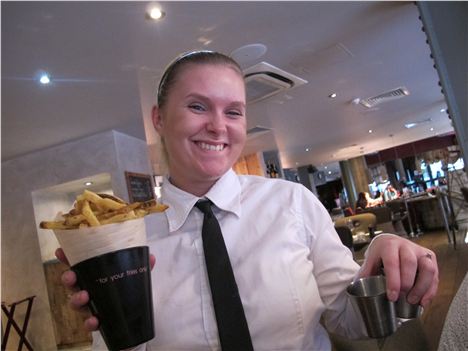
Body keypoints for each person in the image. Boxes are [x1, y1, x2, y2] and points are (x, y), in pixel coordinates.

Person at [57, 51, 438, 350]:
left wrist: (388, 262)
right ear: (158, 118)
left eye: (234, 111)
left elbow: (349, 321)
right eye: (197, 106)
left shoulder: (293, 203)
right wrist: (112, 323)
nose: (218, 126)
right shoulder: (128, 236)